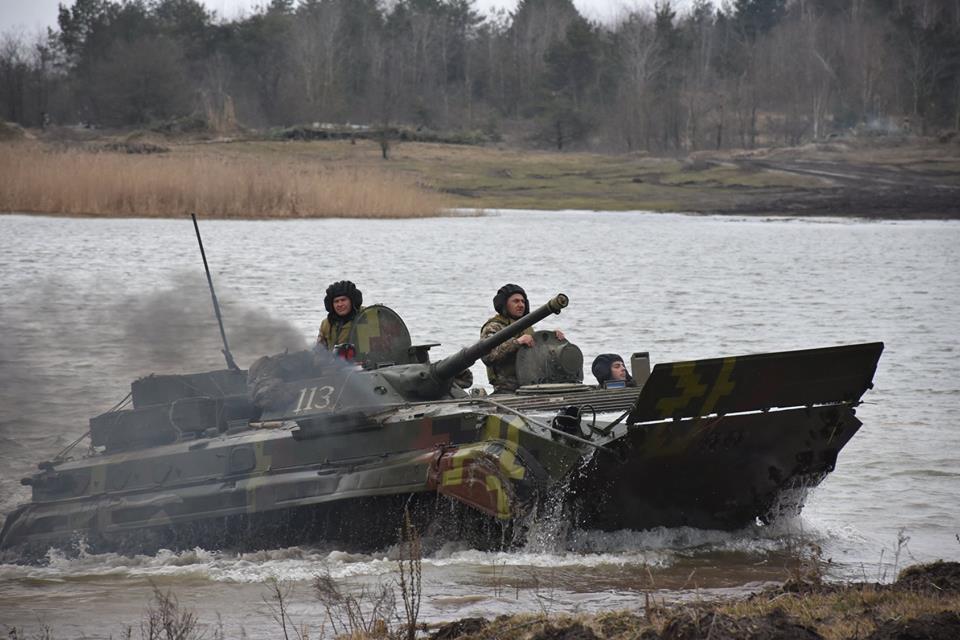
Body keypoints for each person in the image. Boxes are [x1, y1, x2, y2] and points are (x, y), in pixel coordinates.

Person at [481, 284, 564, 393]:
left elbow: (538, 354)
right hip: (506, 390)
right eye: (515, 301)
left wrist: (553, 340)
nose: (521, 305)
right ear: (504, 304)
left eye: (523, 301)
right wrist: (517, 342)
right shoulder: (493, 327)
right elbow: (488, 356)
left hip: (532, 386)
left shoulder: (526, 326)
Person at [317, 280, 364, 350]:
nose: (340, 304)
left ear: (352, 301)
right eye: (336, 301)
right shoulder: (326, 324)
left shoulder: (366, 316)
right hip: (334, 360)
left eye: (343, 300)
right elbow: (319, 351)